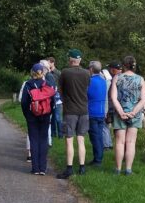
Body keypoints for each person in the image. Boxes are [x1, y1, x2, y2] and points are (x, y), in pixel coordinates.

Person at [110, 55, 145, 175]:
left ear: (124, 65)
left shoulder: (117, 78)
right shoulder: (140, 79)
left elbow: (113, 97)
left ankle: (117, 169)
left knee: (119, 142)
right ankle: (128, 169)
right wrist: (134, 112)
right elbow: (143, 99)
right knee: (131, 142)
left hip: (119, 114)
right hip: (134, 115)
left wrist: (121, 112)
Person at [56, 48, 90, 179]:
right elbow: (87, 89)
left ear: (70, 60)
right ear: (79, 60)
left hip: (70, 111)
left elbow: (60, 90)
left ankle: (69, 169)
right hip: (84, 110)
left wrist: (65, 100)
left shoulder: (65, 73)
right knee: (81, 139)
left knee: (69, 140)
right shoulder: (87, 73)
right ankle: (82, 167)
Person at [20, 63, 54, 175]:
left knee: (34, 140)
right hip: (45, 115)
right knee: (43, 140)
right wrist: (49, 113)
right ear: (43, 72)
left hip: (32, 116)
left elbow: (24, 102)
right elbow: (53, 101)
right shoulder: (48, 84)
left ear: (32, 72)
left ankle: (35, 168)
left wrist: (27, 115)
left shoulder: (28, 85)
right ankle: (43, 168)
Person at [87, 60, 108, 167]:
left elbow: (86, 94)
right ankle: (99, 157)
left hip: (92, 112)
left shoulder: (90, 81)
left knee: (94, 137)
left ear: (91, 69)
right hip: (101, 111)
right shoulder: (103, 81)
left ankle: (98, 159)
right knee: (99, 136)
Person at [44, 56, 63, 139]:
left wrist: (60, 95)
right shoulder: (46, 73)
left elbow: (62, 84)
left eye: (48, 63)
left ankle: (61, 134)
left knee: (58, 117)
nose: (47, 65)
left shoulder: (58, 73)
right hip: (50, 97)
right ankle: (53, 133)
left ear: (52, 63)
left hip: (57, 97)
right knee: (52, 118)